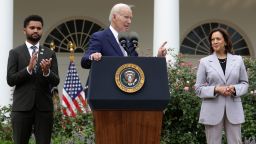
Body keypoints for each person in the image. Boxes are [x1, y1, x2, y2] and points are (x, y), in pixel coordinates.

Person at [7, 15, 60, 144]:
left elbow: (56, 80)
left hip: (44, 109)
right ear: (25, 30)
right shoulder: (15, 52)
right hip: (21, 108)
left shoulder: (49, 53)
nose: (36, 30)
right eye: (32, 28)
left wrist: (47, 72)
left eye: (39, 28)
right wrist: (29, 69)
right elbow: (10, 79)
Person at [195, 28, 248, 144]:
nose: (214, 41)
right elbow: (198, 89)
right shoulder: (204, 62)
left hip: (234, 109)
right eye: (212, 39)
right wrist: (216, 89)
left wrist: (235, 89)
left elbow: (245, 83)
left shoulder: (238, 60)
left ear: (225, 41)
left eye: (218, 39)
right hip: (211, 110)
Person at [81, 3, 167, 69]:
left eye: (130, 18)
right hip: (105, 88)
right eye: (126, 17)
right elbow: (84, 61)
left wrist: (159, 57)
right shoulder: (100, 37)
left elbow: (138, 65)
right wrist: (92, 57)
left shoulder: (127, 41)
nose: (129, 21)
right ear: (114, 17)